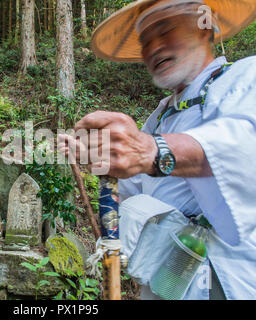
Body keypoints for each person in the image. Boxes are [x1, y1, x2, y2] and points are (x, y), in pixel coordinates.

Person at [58, 0, 256, 300]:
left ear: (205, 28)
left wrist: (153, 150)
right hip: (167, 277)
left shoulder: (245, 78)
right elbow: (131, 189)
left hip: (228, 280)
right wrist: (101, 160)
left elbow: (243, 143)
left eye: (165, 30)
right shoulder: (160, 117)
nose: (153, 48)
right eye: (145, 40)